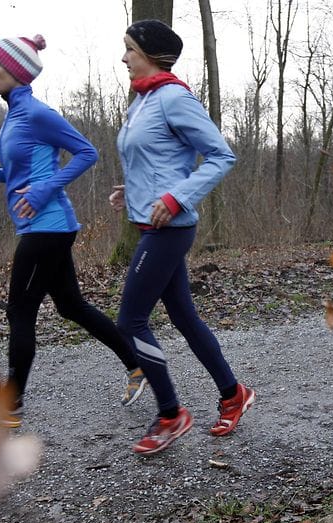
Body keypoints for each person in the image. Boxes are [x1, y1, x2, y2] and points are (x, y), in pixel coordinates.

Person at [0, 34, 148, 428]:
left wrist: (46, 188)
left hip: (47, 227)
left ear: (16, 72)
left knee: (20, 311)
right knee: (70, 306)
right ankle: (138, 364)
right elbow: (24, 168)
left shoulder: (37, 113)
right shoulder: (13, 114)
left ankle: (10, 404)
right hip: (44, 227)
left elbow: (86, 152)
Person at [110, 19, 254, 455]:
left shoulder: (174, 98)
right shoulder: (143, 101)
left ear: (151, 55)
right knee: (184, 317)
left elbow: (220, 155)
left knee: (130, 320)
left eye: (129, 50)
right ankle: (234, 394)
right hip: (152, 223)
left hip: (170, 228)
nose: (124, 58)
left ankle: (171, 414)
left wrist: (175, 197)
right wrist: (131, 190)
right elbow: (154, 160)